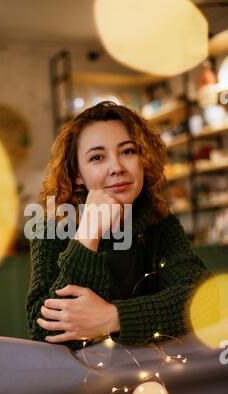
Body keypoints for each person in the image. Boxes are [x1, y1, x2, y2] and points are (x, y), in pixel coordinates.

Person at [25, 101, 211, 351]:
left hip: (153, 377)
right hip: (77, 382)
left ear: (143, 159)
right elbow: (45, 329)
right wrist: (88, 234)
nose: (117, 168)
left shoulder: (159, 222)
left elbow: (204, 300)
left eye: (127, 151)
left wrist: (112, 317)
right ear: (77, 173)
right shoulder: (50, 226)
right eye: (97, 157)